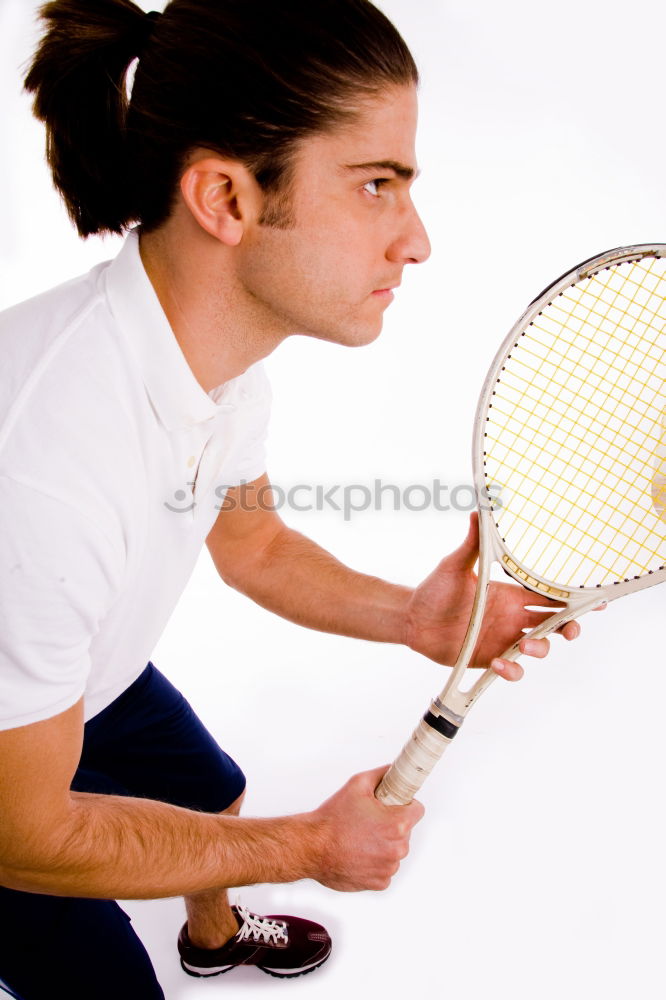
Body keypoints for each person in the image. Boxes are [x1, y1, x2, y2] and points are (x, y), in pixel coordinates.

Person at [0, 1, 582, 997]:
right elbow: (27, 834)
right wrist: (307, 843)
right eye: (375, 186)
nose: (418, 240)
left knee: (210, 790)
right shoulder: (45, 469)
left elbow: (254, 547)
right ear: (226, 197)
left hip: (70, 673)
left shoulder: (217, 367)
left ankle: (212, 937)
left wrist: (412, 615)